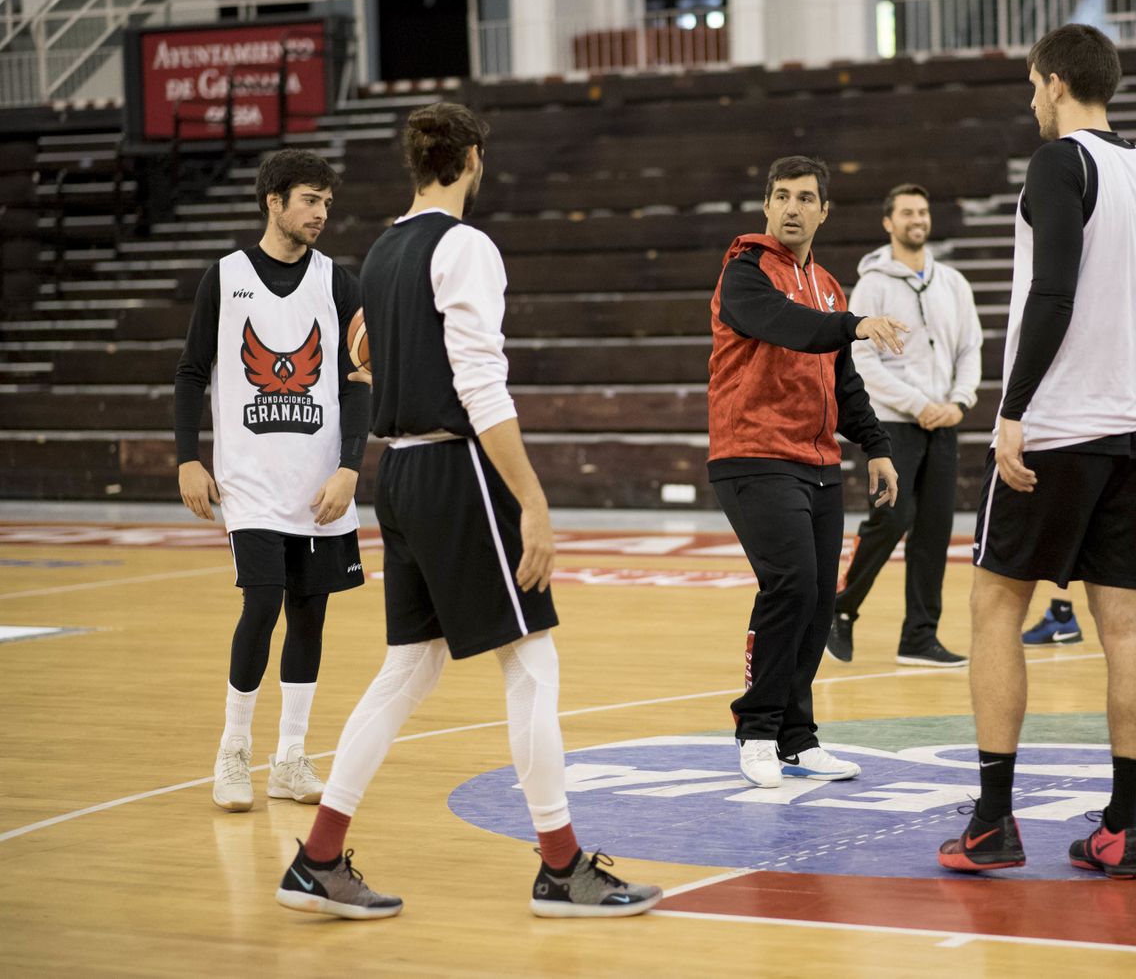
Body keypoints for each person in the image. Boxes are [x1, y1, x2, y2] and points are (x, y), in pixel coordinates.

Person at [274, 102, 659, 920]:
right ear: (474, 158)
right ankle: (561, 869)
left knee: (409, 668)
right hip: (455, 467)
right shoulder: (465, 246)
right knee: (531, 662)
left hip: (398, 476)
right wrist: (534, 501)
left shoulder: (380, 247)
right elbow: (481, 384)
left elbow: (362, 355)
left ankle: (317, 857)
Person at [937, 24, 1136, 879]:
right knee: (1126, 626)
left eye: (1032, 86)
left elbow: (1056, 288)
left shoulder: (1058, 163)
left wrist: (1014, 407)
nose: (1030, 101)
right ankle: (1122, 828)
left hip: (1061, 428)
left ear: (1054, 82)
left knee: (996, 605)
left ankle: (994, 820)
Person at [174, 148, 366, 813]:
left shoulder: (338, 282)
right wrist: (186, 457)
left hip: (320, 488)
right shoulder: (224, 279)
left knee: (309, 618)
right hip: (250, 485)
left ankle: (289, 758)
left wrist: (350, 467)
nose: (320, 214)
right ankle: (233, 751)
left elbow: (357, 380)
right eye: (310, 200)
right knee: (262, 604)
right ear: (274, 201)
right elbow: (190, 374)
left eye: (326, 203)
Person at [709, 155, 905, 789]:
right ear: (767, 206)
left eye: (806, 198)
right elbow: (787, 328)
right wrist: (853, 326)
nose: (793, 208)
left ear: (824, 211)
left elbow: (841, 376)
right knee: (790, 584)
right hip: (753, 455)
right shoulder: (744, 273)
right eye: (783, 196)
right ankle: (758, 729)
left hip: (818, 460)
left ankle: (798, 737)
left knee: (820, 600)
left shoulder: (826, 283)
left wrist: (875, 445)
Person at [827, 183, 981, 668]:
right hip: (896, 422)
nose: (917, 218)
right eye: (907, 212)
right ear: (888, 223)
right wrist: (918, 404)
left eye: (923, 210)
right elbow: (862, 362)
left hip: (945, 421)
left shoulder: (953, 282)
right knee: (891, 518)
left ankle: (919, 635)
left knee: (935, 529)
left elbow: (970, 349)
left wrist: (959, 401)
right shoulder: (873, 284)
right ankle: (840, 609)